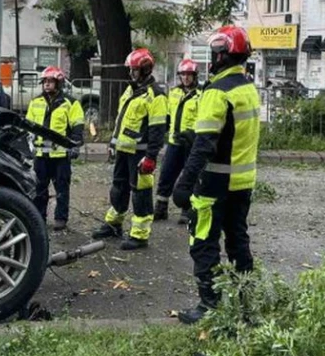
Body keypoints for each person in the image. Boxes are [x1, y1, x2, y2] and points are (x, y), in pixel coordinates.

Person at [172, 26, 261, 324]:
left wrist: (184, 183)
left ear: (222, 54)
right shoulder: (246, 87)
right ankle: (245, 302)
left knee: (203, 242)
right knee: (237, 241)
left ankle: (209, 305)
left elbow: (207, 145)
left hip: (213, 184)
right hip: (242, 182)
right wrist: (191, 136)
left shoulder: (216, 91)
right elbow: (229, 134)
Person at [92, 48, 168, 250]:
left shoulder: (156, 95)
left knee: (141, 192)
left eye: (134, 69)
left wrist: (151, 157)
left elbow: (158, 130)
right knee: (118, 188)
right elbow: (121, 120)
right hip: (124, 151)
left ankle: (140, 234)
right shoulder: (131, 89)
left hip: (140, 154)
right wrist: (113, 143)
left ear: (144, 69)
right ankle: (114, 223)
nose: (131, 73)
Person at [26, 66, 85, 230]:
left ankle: (61, 218)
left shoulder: (70, 103)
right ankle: (39, 217)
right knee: (39, 188)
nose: (47, 84)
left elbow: (77, 126)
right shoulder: (35, 102)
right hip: (40, 154)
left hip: (61, 154)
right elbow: (29, 126)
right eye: (45, 81)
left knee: (62, 188)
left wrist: (75, 145)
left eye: (50, 81)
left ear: (58, 83)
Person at [154, 59, 201, 224]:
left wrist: (192, 134)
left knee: (189, 176)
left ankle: (186, 209)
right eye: (183, 75)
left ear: (195, 76)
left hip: (191, 143)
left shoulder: (201, 95)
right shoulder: (174, 93)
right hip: (174, 142)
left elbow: (204, 120)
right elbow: (168, 116)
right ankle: (161, 207)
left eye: (189, 75)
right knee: (166, 174)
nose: (186, 78)